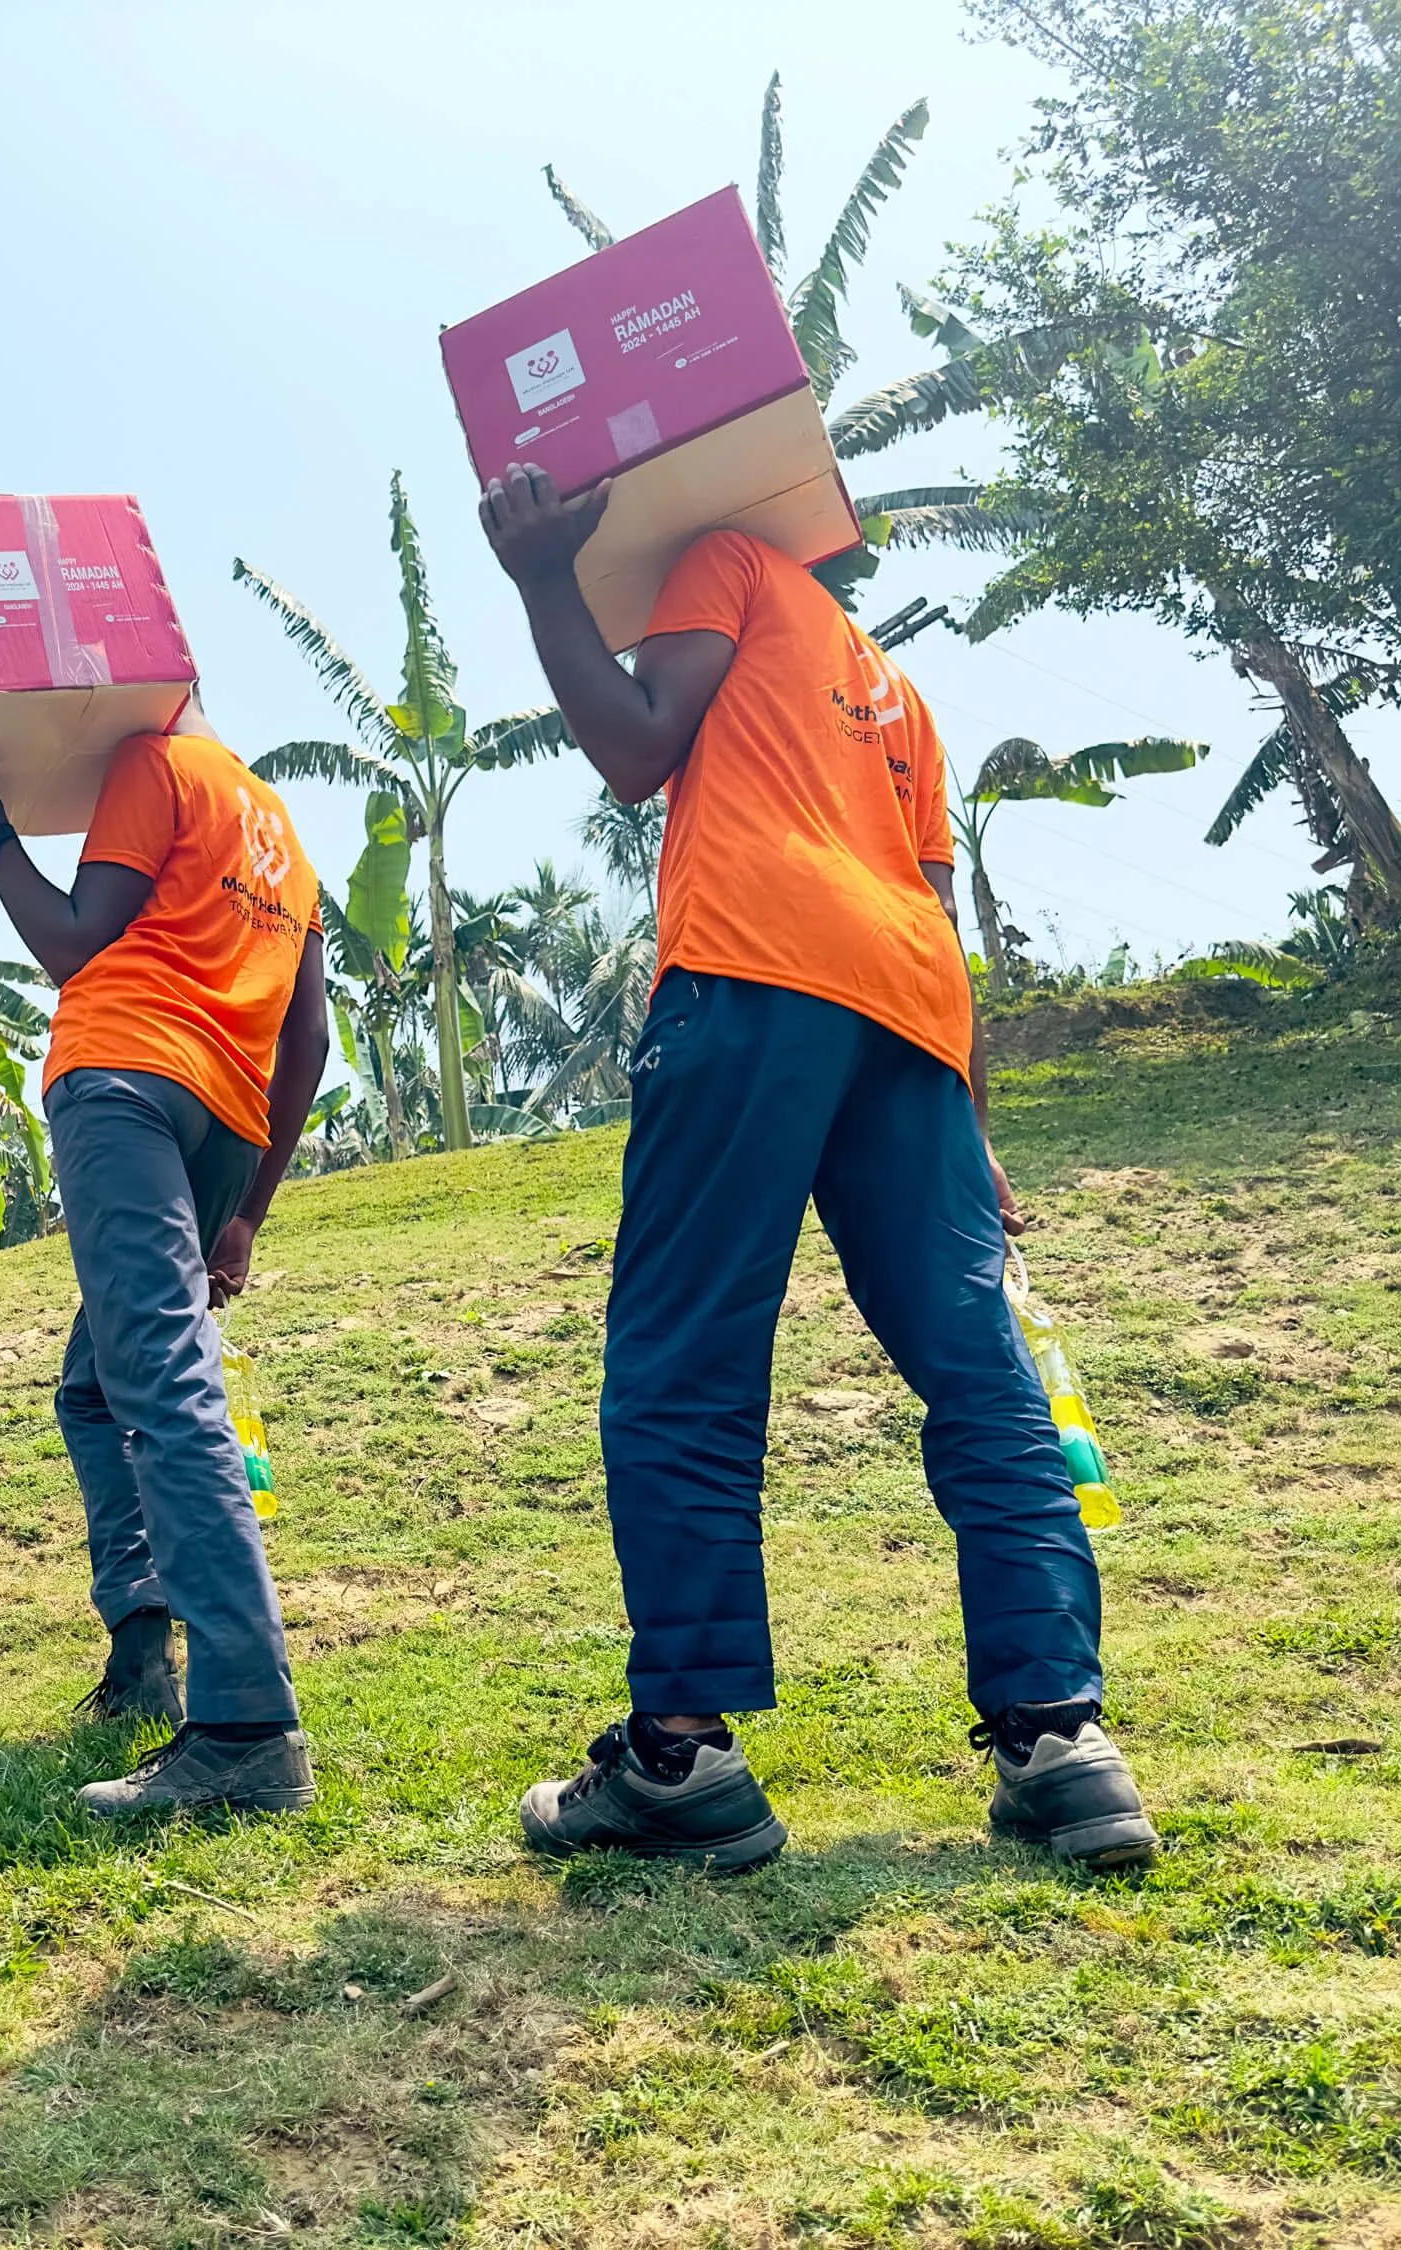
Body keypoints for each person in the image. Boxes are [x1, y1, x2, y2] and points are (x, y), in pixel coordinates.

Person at [475, 464, 1157, 1871]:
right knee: (982, 1372)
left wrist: (544, 575)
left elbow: (637, 747)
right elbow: (932, 908)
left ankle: (679, 1755)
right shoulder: (898, 694)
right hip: (909, 1022)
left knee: (685, 1356)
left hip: (753, 974)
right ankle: (1059, 1737)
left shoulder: (724, 560)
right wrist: (972, 1124)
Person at [0, 724, 330, 1820]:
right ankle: (143, 1651)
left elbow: (73, 945)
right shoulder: (280, 831)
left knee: (163, 1384)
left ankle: (246, 1726)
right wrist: (249, 1208)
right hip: (224, 1122)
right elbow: (310, 1039)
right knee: (100, 1384)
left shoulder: (157, 763)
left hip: (127, 1080)